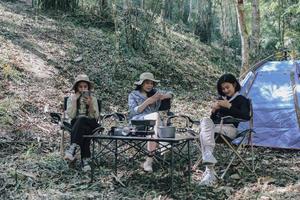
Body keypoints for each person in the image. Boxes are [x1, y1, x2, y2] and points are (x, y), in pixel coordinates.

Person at [199, 73, 250, 186]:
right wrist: (214, 111)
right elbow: (213, 120)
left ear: (234, 85)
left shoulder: (241, 99)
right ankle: (209, 166)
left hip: (230, 130)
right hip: (215, 128)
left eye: (227, 87)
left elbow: (246, 116)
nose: (225, 90)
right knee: (205, 121)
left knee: (204, 133)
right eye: (223, 89)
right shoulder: (220, 100)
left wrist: (229, 106)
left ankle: (209, 170)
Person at [128, 72, 173, 172]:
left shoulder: (155, 92)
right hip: (138, 122)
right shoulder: (133, 95)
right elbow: (133, 112)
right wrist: (149, 101)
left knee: (153, 129)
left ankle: (148, 161)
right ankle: (163, 144)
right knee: (156, 116)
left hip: (154, 124)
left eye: (151, 83)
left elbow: (171, 93)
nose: (149, 85)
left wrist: (163, 97)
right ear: (141, 84)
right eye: (147, 83)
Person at [64, 74, 100, 172]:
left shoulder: (93, 98)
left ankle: (72, 149)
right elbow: (71, 116)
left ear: (88, 88)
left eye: (85, 86)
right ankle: (85, 160)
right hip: (78, 124)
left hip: (91, 122)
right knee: (83, 127)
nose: (83, 89)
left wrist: (91, 104)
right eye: (80, 87)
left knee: (83, 120)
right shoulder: (71, 98)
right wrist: (75, 102)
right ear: (76, 87)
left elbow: (95, 117)